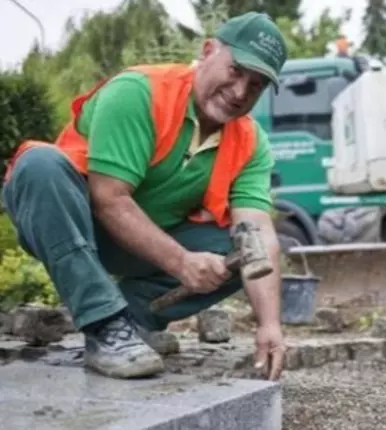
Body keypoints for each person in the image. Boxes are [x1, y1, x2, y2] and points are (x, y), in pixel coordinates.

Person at [2, 11, 288, 381]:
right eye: (235, 71)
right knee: (39, 164)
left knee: (241, 250)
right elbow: (108, 199)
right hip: (70, 225)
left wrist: (270, 325)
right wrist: (182, 262)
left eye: (257, 85)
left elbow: (258, 237)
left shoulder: (250, 142)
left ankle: (132, 323)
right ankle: (106, 325)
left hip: (144, 244)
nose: (239, 92)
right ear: (208, 51)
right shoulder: (140, 92)